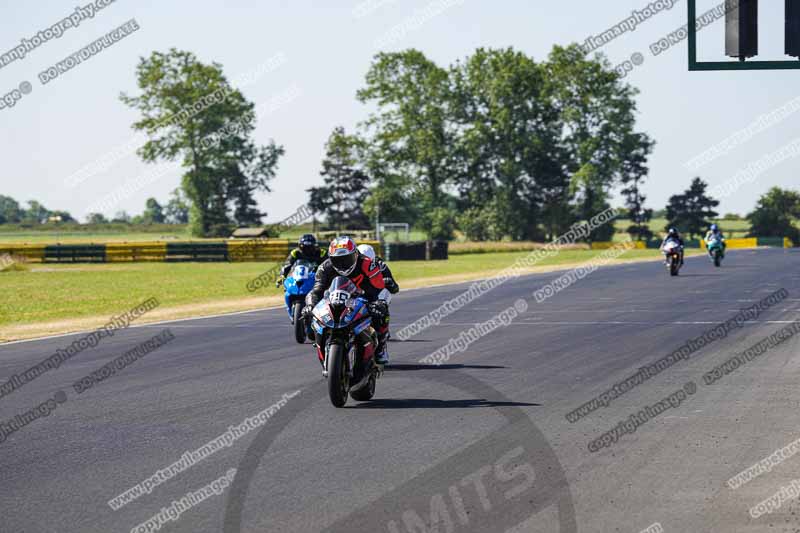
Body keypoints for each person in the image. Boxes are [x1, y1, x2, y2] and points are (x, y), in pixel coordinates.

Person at [303, 237, 391, 365]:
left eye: (346, 259)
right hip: (334, 299)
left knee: (381, 313)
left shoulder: (367, 264)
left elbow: (379, 287)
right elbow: (316, 290)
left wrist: (379, 302)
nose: (342, 264)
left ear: (355, 255)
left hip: (363, 297)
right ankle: (320, 342)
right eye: (337, 260)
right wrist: (310, 305)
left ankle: (381, 347)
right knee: (311, 316)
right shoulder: (325, 267)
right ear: (330, 258)